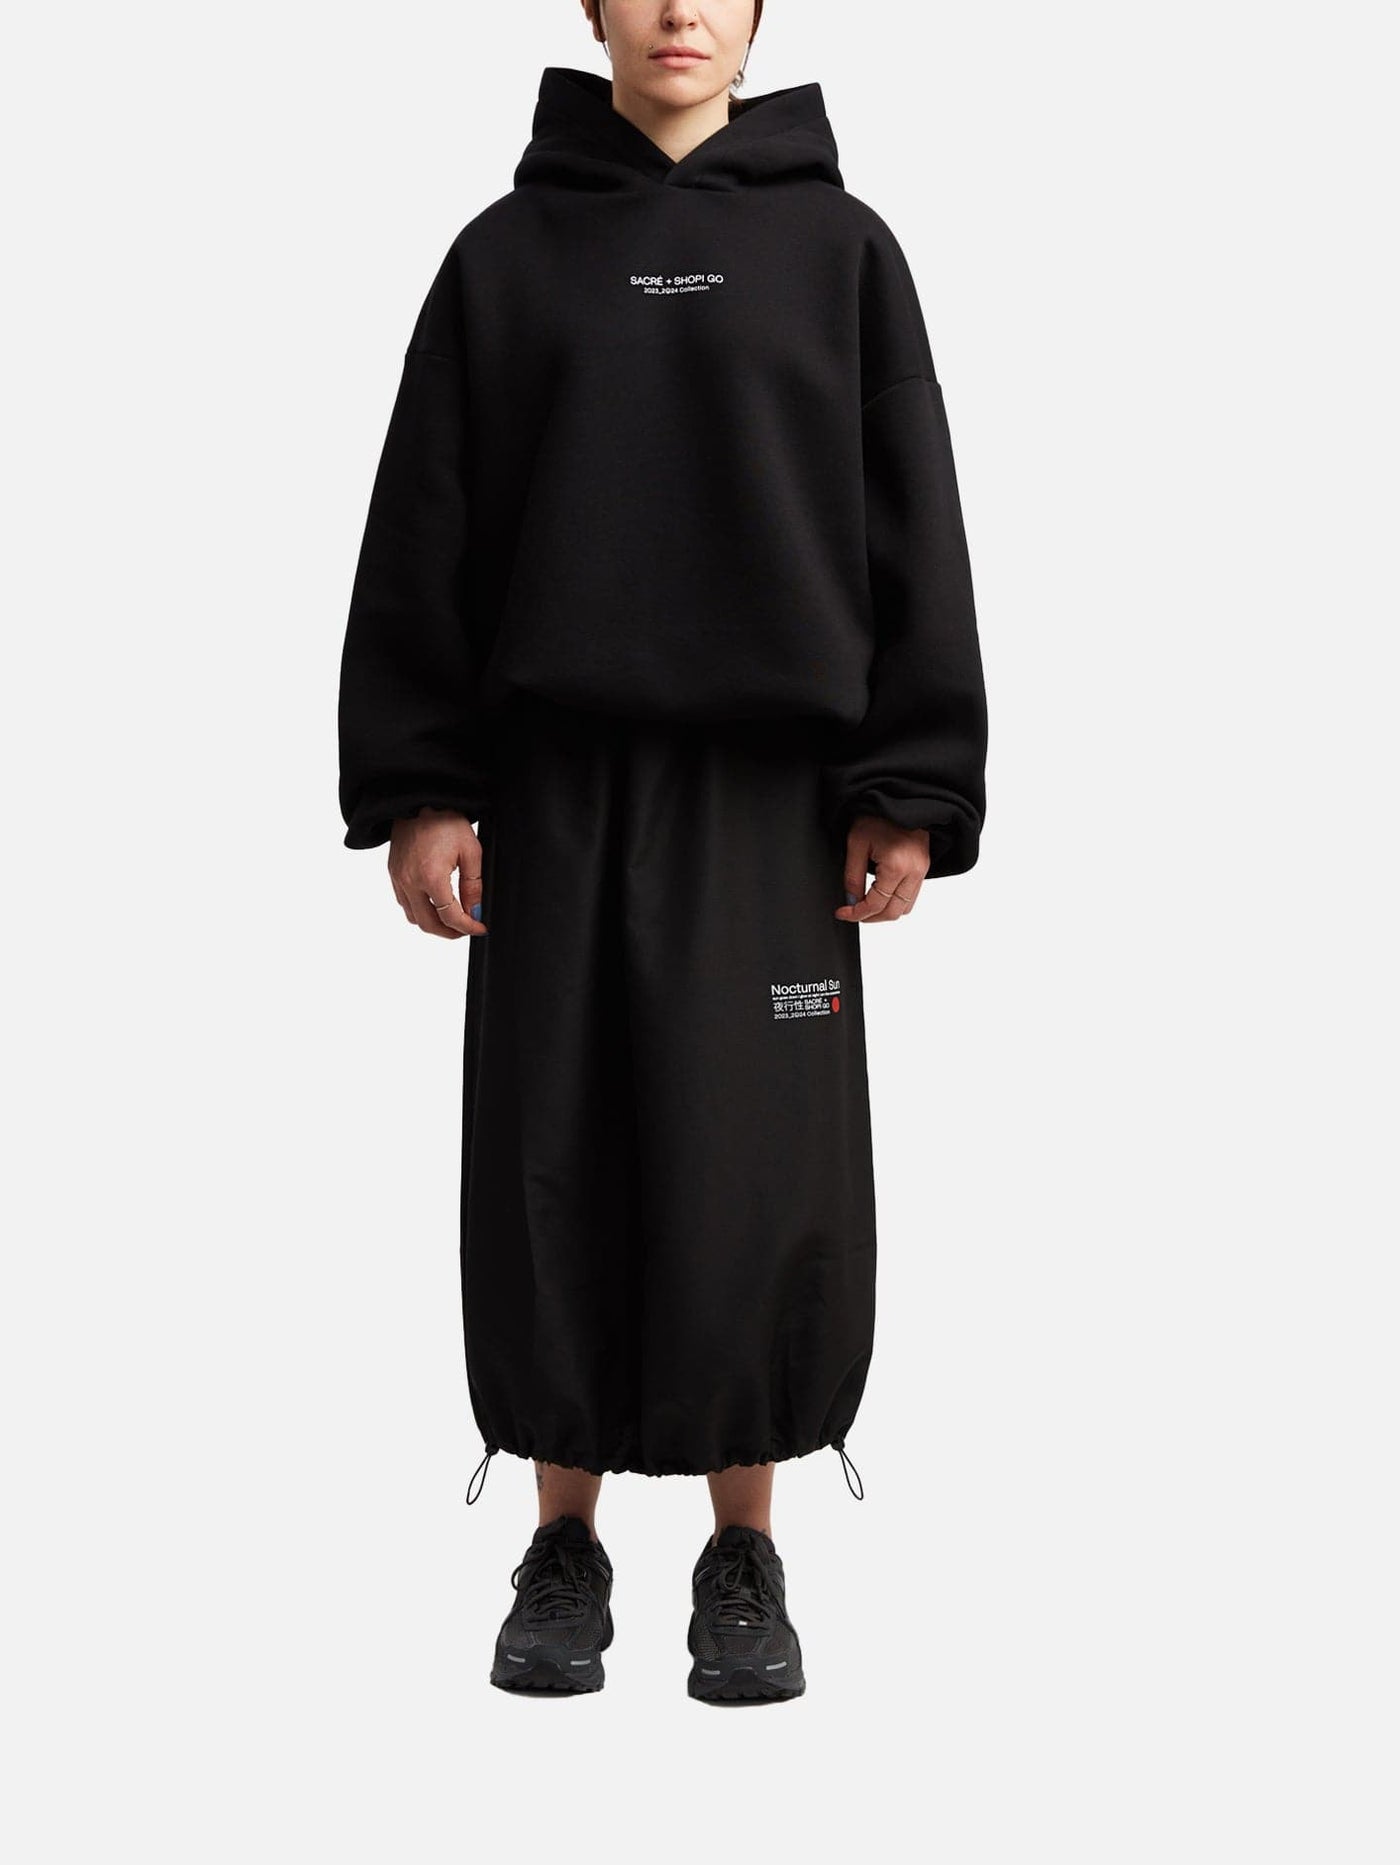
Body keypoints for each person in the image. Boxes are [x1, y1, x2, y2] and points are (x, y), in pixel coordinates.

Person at [337, 0, 987, 1704]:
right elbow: (427, 520)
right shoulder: (502, 261)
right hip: (552, 791)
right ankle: (562, 1546)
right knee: (556, 1145)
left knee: (750, 1163)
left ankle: (743, 1553)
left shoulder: (844, 253)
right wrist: (422, 783)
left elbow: (910, 508)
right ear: (591, 7)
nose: (678, 10)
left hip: (775, 805)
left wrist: (911, 778)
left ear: (760, 9)